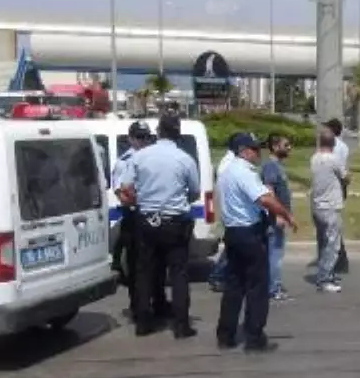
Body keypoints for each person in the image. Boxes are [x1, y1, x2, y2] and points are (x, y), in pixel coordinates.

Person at [118, 113, 200, 339]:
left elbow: (126, 189)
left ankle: (144, 323)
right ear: (178, 134)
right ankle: (181, 326)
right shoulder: (185, 159)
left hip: (147, 220)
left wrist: (142, 201)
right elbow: (193, 192)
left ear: (159, 132)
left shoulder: (140, 157)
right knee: (179, 274)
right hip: (175, 222)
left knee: (145, 272)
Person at [215, 133, 297, 353]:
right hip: (248, 233)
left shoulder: (227, 170)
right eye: (254, 149)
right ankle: (254, 337)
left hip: (233, 232)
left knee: (234, 286)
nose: (258, 152)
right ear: (244, 150)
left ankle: (226, 334)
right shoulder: (244, 172)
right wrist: (286, 214)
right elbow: (264, 199)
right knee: (257, 287)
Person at [111, 121, 165, 319]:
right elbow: (121, 193)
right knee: (136, 266)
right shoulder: (124, 161)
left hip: (154, 214)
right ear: (130, 139)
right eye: (139, 137)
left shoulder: (153, 158)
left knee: (158, 263)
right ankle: (138, 306)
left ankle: (159, 302)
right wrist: (140, 200)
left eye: (147, 137)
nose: (143, 142)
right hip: (134, 215)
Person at [310, 129, 347, 293]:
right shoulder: (334, 160)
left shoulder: (314, 158)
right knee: (332, 244)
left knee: (322, 242)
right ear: (333, 143)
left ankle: (326, 273)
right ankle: (324, 279)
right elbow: (346, 176)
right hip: (330, 206)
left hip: (317, 206)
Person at [260, 133, 294, 302]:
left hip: (279, 216)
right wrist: (278, 215)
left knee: (274, 253)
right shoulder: (270, 166)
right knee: (275, 254)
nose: (289, 148)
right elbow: (269, 190)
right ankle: (273, 289)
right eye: (286, 145)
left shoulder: (277, 166)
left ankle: (272, 286)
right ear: (274, 147)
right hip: (274, 219)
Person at [207, 140, 238, 292]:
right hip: (229, 211)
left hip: (228, 210)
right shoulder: (229, 163)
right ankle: (217, 275)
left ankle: (221, 275)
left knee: (232, 246)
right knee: (232, 247)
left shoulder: (229, 161)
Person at [323, 119, 352, 277]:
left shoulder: (334, 147)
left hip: (334, 186)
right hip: (337, 186)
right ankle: (339, 260)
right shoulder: (342, 146)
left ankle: (339, 260)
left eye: (327, 129)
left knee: (331, 225)